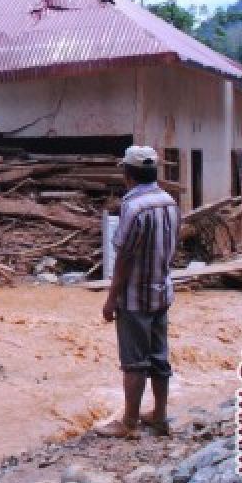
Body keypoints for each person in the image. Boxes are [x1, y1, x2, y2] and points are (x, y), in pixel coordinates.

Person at [96, 145, 180, 438]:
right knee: (159, 356)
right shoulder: (169, 201)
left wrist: (110, 299)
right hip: (162, 291)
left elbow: (124, 259)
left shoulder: (133, 207)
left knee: (133, 361)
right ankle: (159, 415)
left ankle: (129, 423)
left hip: (134, 297)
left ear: (128, 174)